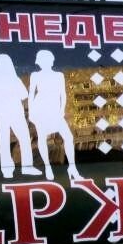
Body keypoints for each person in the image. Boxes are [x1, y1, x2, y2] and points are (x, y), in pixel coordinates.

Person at [28, 50, 81, 182]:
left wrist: (62, 109)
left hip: (55, 109)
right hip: (41, 109)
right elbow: (31, 94)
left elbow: (63, 93)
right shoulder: (35, 75)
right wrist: (31, 112)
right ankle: (48, 167)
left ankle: (72, 167)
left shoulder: (59, 75)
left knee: (68, 137)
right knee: (42, 137)